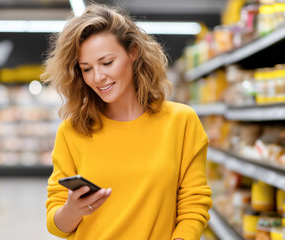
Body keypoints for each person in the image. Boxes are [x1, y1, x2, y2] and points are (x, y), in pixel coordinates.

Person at [43, 4, 212, 240]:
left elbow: (194, 204)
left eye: (107, 62)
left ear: (133, 52)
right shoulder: (72, 131)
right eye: (86, 68)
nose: (98, 77)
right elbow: (56, 224)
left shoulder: (181, 121)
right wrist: (72, 210)